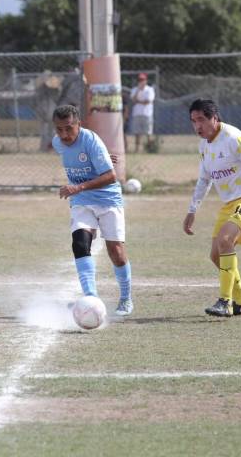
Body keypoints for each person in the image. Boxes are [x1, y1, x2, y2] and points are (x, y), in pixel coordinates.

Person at [182, 99, 241, 317]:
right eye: (193, 121)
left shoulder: (232, 138)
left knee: (225, 240)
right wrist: (192, 210)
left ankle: (225, 302)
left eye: (201, 120)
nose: (197, 126)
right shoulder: (204, 145)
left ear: (214, 118)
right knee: (216, 256)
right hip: (230, 204)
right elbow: (204, 179)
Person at [52, 104, 133, 316]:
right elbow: (86, 158)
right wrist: (100, 158)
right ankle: (91, 298)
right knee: (80, 243)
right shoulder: (57, 143)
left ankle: (126, 298)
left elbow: (112, 176)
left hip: (107, 199)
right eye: (59, 129)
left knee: (116, 253)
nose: (64, 134)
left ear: (79, 124)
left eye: (69, 128)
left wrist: (77, 186)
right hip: (82, 201)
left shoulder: (91, 140)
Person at [128, 73, 155, 153]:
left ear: (146, 80)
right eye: (139, 80)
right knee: (137, 133)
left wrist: (138, 101)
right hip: (137, 114)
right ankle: (137, 150)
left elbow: (148, 101)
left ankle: (150, 149)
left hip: (147, 114)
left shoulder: (150, 89)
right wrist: (138, 90)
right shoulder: (134, 90)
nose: (141, 81)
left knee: (148, 133)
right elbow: (133, 99)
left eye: (143, 80)